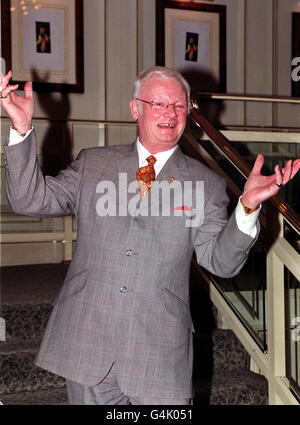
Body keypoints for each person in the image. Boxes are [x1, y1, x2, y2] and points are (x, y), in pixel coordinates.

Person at [1, 67, 299, 405]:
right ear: (135, 108)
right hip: (90, 344)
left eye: (179, 105)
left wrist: (246, 208)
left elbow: (221, 261)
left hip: (159, 355)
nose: (170, 113)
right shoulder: (94, 165)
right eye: (158, 103)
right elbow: (30, 199)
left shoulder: (206, 185)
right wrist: (21, 128)